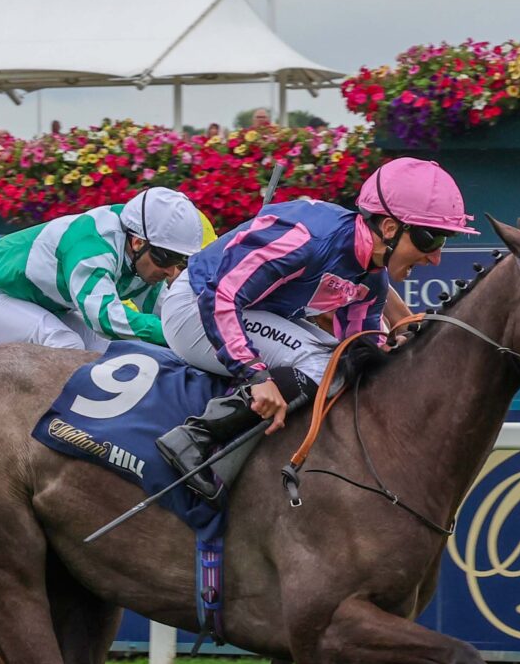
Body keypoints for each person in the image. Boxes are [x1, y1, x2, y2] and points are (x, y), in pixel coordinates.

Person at [155, 157, 471, 485]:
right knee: (320, 363)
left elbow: (358, 348)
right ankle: (194, 437)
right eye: (430, 239)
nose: (435, 258)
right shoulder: (308, 238)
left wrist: (394, 353)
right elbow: (218, 295)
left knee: (341, 359)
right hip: (195, 308)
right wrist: (256, 373)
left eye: (443, 241)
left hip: (247, 311)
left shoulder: (372, 280)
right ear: (390, 228)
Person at [0, 187, 204, 353]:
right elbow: (105, 318)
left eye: (181, 261)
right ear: (138, 242)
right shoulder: (92, 246)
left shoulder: (141, 252)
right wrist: (169, 332)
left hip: (39, 303)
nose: (172, 272)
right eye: (167, 258)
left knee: (109, 352)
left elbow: (169, 314)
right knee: (65, 344)